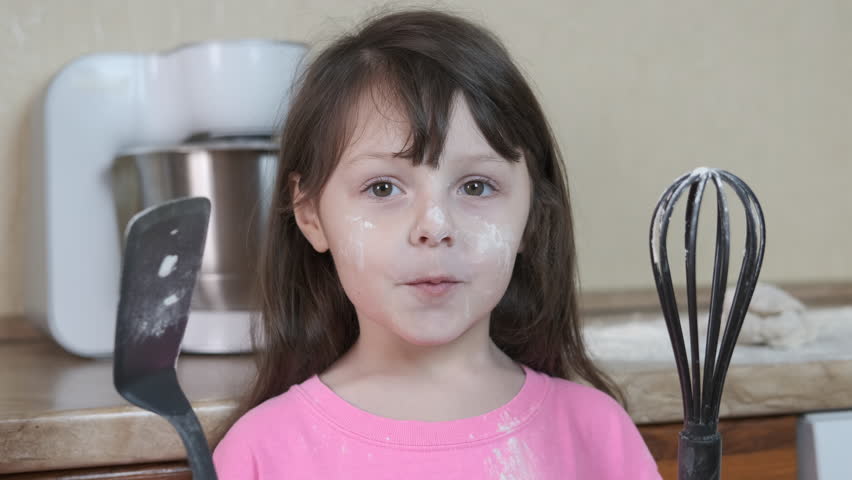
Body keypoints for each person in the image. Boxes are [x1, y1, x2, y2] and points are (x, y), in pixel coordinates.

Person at [213, 7, 661, 479]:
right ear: (310, 215)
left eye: (475, 186)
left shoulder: (596, 434)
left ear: (532, 216)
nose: (435, 225)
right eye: (383, 188)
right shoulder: (261, 451)